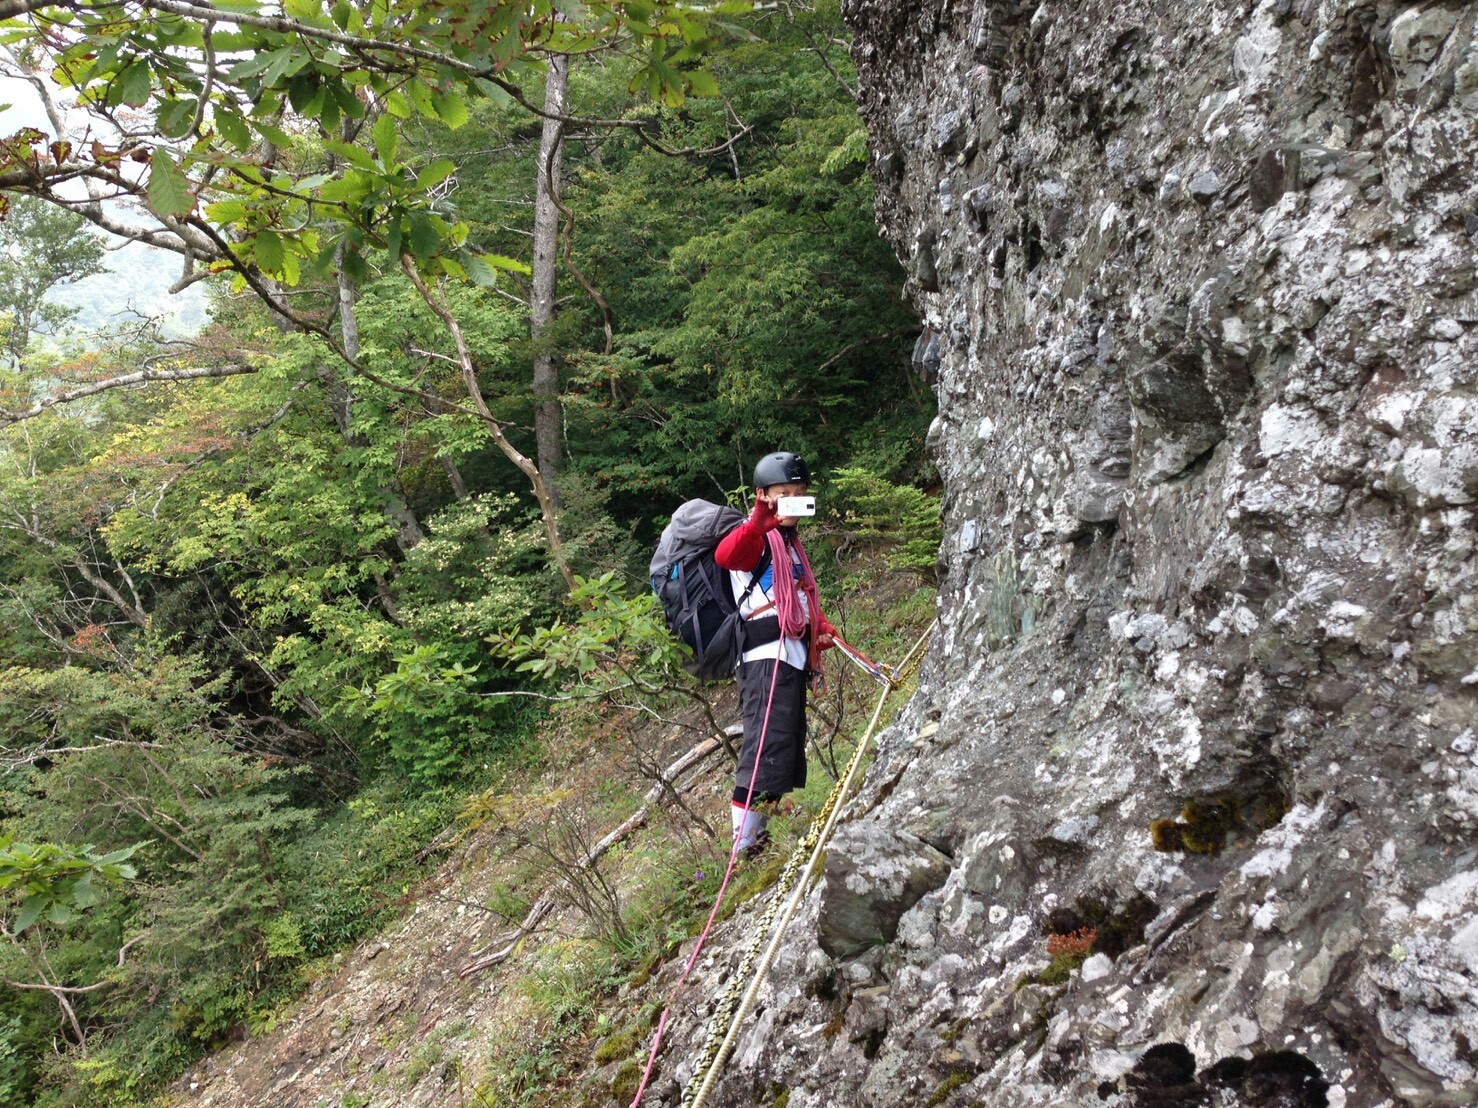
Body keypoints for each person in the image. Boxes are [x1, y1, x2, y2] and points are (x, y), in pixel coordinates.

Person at [714, 451, 836, 853]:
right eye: (784, 494)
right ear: (762, 495)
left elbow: (797, 599)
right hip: (766, 658)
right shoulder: (755, 539)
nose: (793, 501)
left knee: (779, 751)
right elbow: (726, 556)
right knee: (763, 748)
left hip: (789, 656)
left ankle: (756, 840)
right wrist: (756, 523)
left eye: (799, 493)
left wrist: (819, 627)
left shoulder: (788, 543)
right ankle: (743, 848)